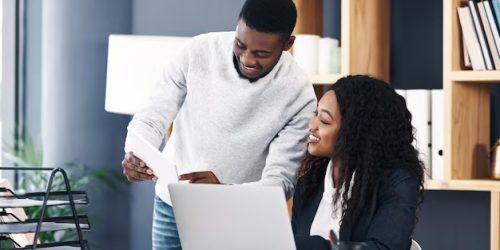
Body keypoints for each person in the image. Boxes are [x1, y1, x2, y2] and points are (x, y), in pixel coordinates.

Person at [121, 0, 316, 249]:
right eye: (240, 45)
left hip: (236, 216)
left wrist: (225, 191)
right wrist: (135, 153)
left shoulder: (299, 93)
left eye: (262, 54)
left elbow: (281, 183)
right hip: (172, 206)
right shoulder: (198, 51)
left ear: (288, 44)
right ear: (237, 26)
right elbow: (152, 116)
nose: (247, 59)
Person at [291, 75, 425, 250]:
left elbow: (385, 247)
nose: (311, 125)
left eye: (324, 121)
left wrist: (321, 246)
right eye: (316, 114)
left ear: (354, 132)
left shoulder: (398, 182)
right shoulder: (309, 183)